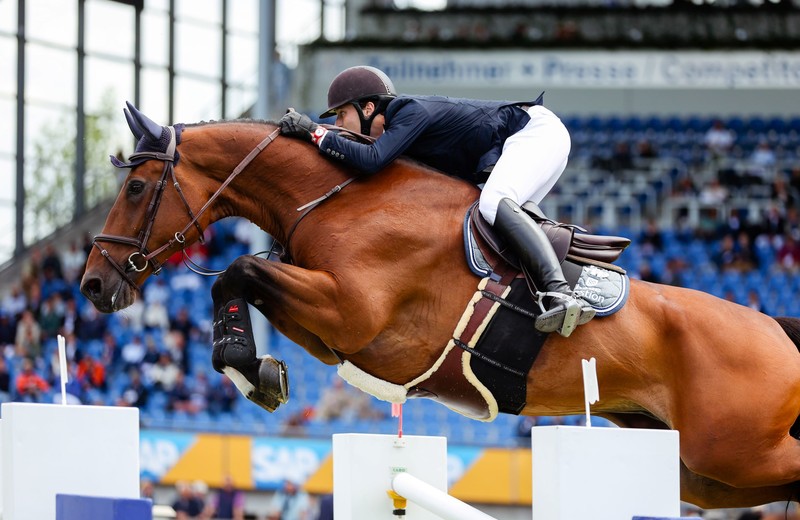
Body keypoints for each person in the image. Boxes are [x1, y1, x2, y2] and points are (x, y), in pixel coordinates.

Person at [279, 65, 594, 337]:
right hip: (526, 143)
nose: (337, 125)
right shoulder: (402, 138)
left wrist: (314, 132)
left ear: (369, 108)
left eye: (341, 114)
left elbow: (370, 160)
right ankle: (536, 301)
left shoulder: (407, 111)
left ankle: (561, 294)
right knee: (489, 224)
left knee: (493, 203)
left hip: (535, 132)